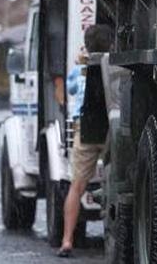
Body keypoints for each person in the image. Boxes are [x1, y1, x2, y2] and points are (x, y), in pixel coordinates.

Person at [57, 24, 114, 257]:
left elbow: (70, 89)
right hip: (111, 126)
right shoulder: (114, 64)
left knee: (77, 185)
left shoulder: (82, 69)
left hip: (87, 127)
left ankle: (67, 240)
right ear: (111, 43)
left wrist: (80, 62)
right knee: (115, 183)